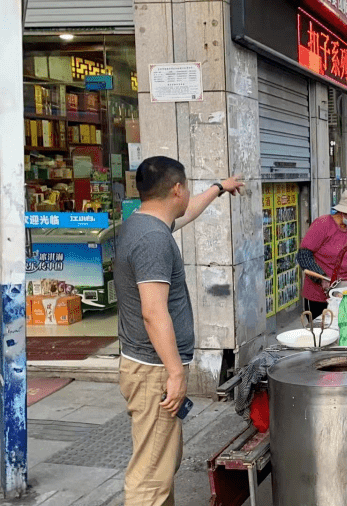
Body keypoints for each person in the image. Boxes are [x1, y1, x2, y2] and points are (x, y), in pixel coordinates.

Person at [115, 156, 243, 506]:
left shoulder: (141, 224)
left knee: (162, 463)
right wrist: (175, 372)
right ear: (176, 189)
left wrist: (219, 188)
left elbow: (187, 213)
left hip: (146, 365)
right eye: (186, 186)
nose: (188, 192)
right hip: (155, 370)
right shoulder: (153, 241)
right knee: (150, 476)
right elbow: (153, 312)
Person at [296, 189, 347, 318]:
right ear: (343, 211)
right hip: (319, 296)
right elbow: (303, 255)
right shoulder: (323, 224)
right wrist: (321, 278)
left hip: (344, 292)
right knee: (322, 332)